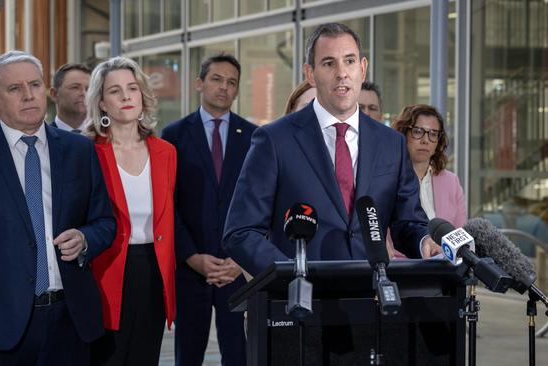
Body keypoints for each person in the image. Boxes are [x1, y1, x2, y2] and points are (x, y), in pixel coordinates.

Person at [0, 50, 116, 365]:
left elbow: (104, 222)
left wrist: (85, 240)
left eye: (35, 85)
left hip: (71, 322)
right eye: (15, 89)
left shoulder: (79, 150)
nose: (29, 95)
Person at [223, 23, 441, 277]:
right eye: (329, 63)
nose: (341, 73)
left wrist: (425, 242)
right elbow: (240, 232)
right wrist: (290, 275)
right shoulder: (274, 140)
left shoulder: (391, 144)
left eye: (349, 61)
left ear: (362, 68)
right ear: (310, 74)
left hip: (369, 300)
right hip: (300, 304)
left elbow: (408, 223)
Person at [162, 53, 256, 366]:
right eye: (217, 79)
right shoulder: (173, 136)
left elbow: (259, 203)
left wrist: (240, 260)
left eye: (232, 83)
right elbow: (167, 205)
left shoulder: (254, 136)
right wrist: (191, 257)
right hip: (191, 267)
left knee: (239, 355)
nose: (224, 88)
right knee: (187, 355)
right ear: (200, 83)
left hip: (236, 269)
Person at [86, 56, 176, 365]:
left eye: (132, 88)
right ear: (101, 103)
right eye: (115, 91)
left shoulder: (166, 152)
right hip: (104, 270)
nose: (126, 97)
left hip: (153, 271)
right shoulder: (87, 152)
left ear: (142, 96)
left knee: (145, 358)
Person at [391, 104, 467, 228]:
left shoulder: (451, 182)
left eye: (433, 134)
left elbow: (461, 233)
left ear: (438, 141)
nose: (425, 140)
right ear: (403, 134)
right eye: (417, 132)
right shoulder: (388, 180)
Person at [50, 63, 92, 132]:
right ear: (54, 94)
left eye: (88, 89)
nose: (84, 93)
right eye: (75, 87)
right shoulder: (43, 138)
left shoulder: (105, 137)